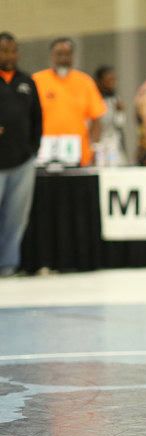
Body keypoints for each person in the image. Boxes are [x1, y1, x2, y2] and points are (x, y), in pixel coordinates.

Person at [0, 31, 42, 277]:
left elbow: (37, 120)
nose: (10, 56)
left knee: (16, 218)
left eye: (14, 51)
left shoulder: (27, 82)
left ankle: (7, 265)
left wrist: (33, 150)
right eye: (5, 51)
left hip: (22, 162)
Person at [32, 37, 106, 167]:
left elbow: (96, 120)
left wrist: (95, 148)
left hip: (79, 155)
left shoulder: (85, 82)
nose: (63, 59)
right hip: (44, 154)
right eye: (59, 54)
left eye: (68, 54)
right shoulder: (37, 81)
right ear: (52, 56)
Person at [93, 66, 127, 166]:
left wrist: (120, 112)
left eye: (114, 79)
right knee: (99, 165)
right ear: (100, 81)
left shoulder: (115, 99)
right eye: (109, 80)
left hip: (113, 141)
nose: (113, 82)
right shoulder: (94, 99)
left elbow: (120, 123)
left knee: (114, 163)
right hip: (99, 141)